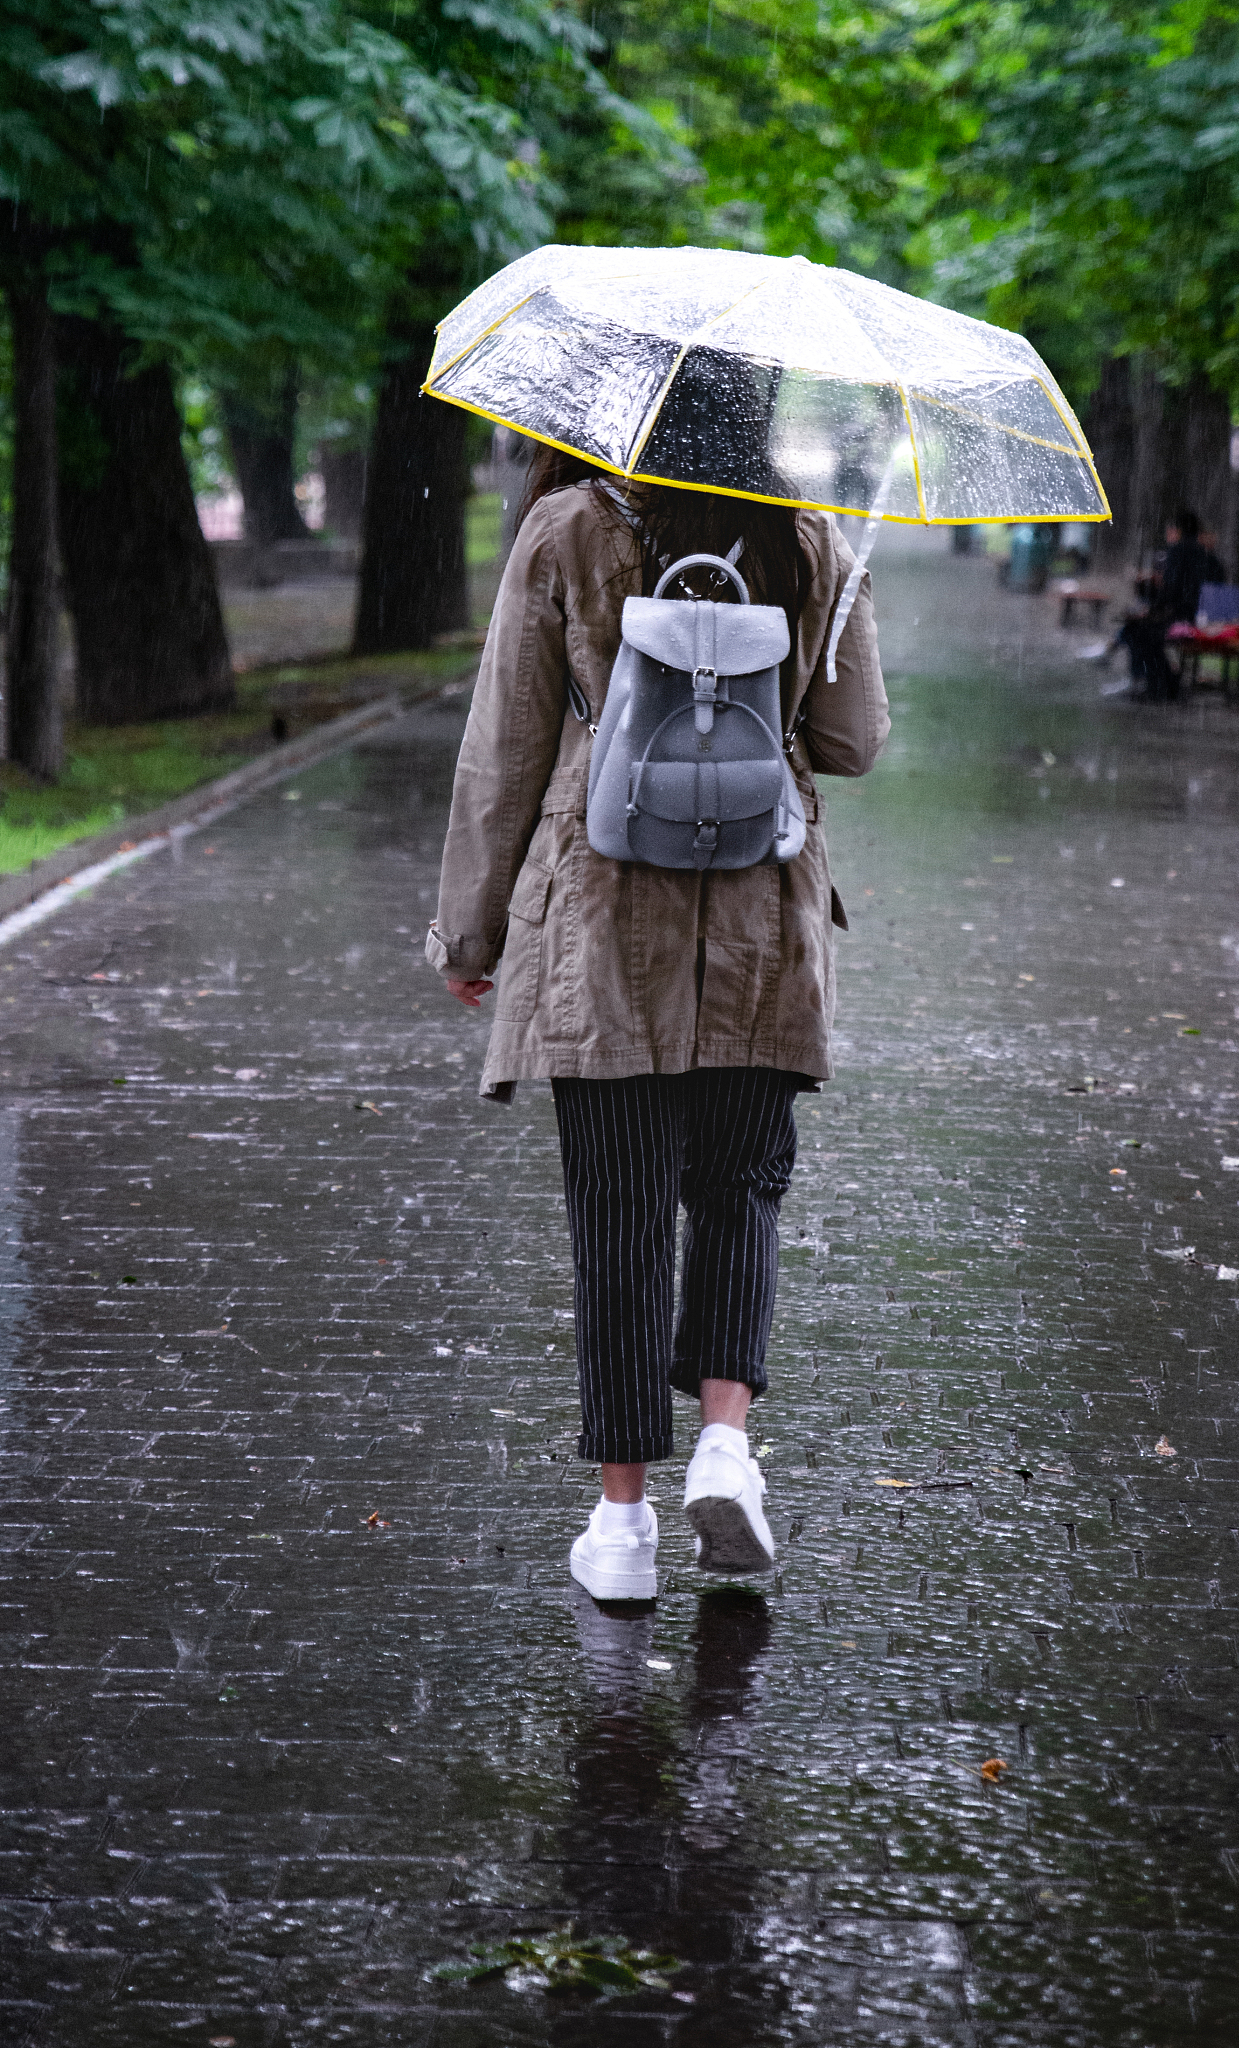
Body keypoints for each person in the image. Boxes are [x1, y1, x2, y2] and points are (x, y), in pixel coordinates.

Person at [426, 440, 889, 1603]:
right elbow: (851, 740)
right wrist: (815, 629)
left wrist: (470, 934)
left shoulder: (569, 528)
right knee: (742, 1185)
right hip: (759, 913)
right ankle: (726, 1446)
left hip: (601, 912)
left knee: (620, 1217)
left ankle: (622, 1526)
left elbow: (506, 751)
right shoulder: (808, 536)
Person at [1086, 509, 1227, 698]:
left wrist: (1152, 609)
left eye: (1171, 529)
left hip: (1187, 621)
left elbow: (1172, 591)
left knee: (1138, 631)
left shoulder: (1179, 552)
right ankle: (1162, 682)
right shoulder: (1210, 557)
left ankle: (1148, 683)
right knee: (1140, 629)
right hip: (1209, 621)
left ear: (1178, 530)